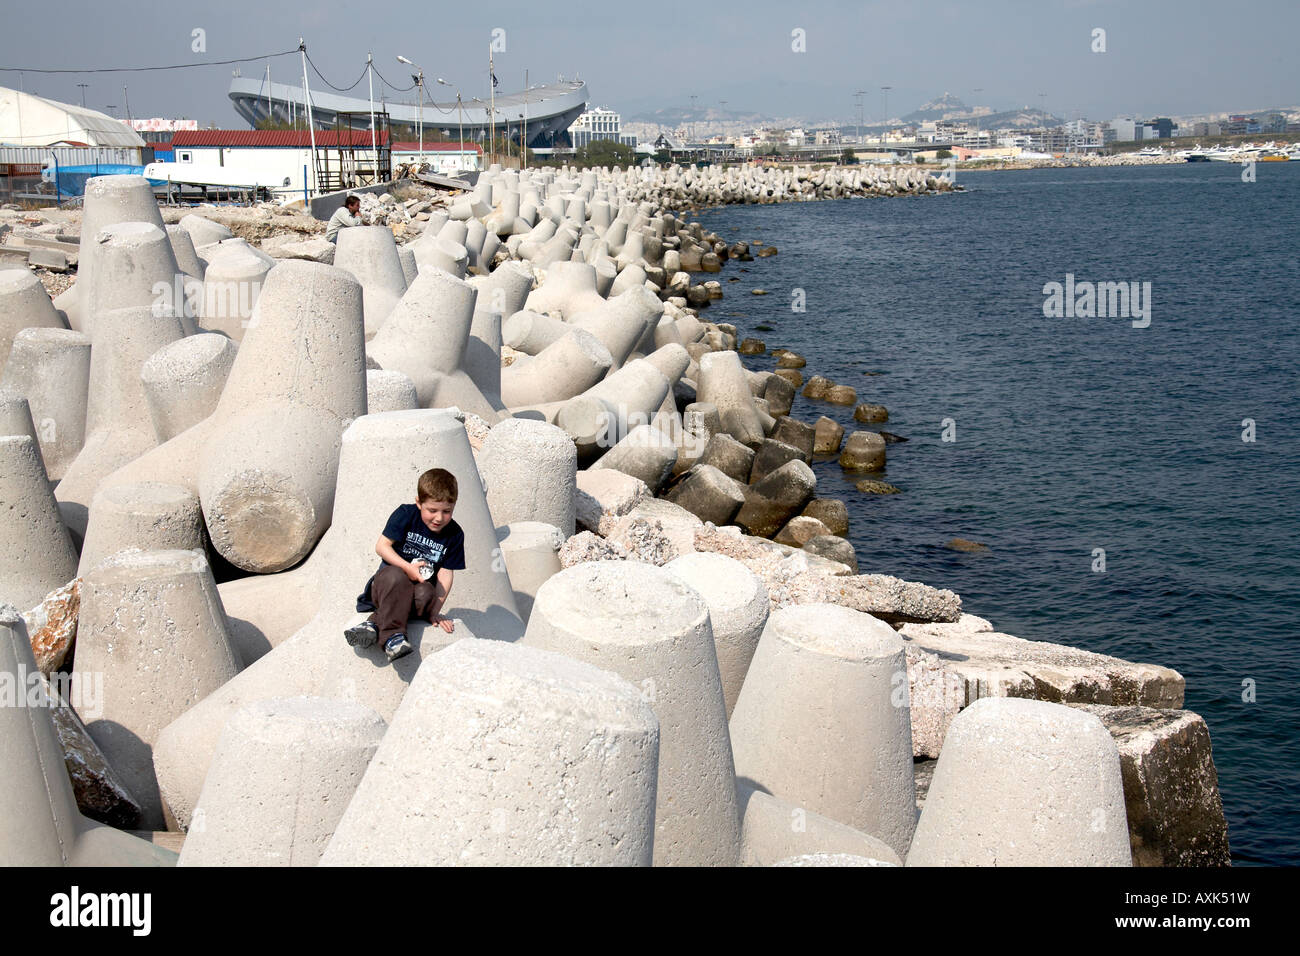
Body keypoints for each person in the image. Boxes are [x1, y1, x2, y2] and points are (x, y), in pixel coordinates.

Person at [344, 468, 465, 662]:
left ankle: (373, 624)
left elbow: (445, 573)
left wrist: (435, 611)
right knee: (396, 576)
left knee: (426, 592)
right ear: (419, 503)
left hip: (417, 596)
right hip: (386, 586)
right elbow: (382, 546)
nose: (439, 518)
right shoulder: (406, 514)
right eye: (432, 510)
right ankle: (393, 637)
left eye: (447, 511)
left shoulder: (455, 534)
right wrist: (407, 568)